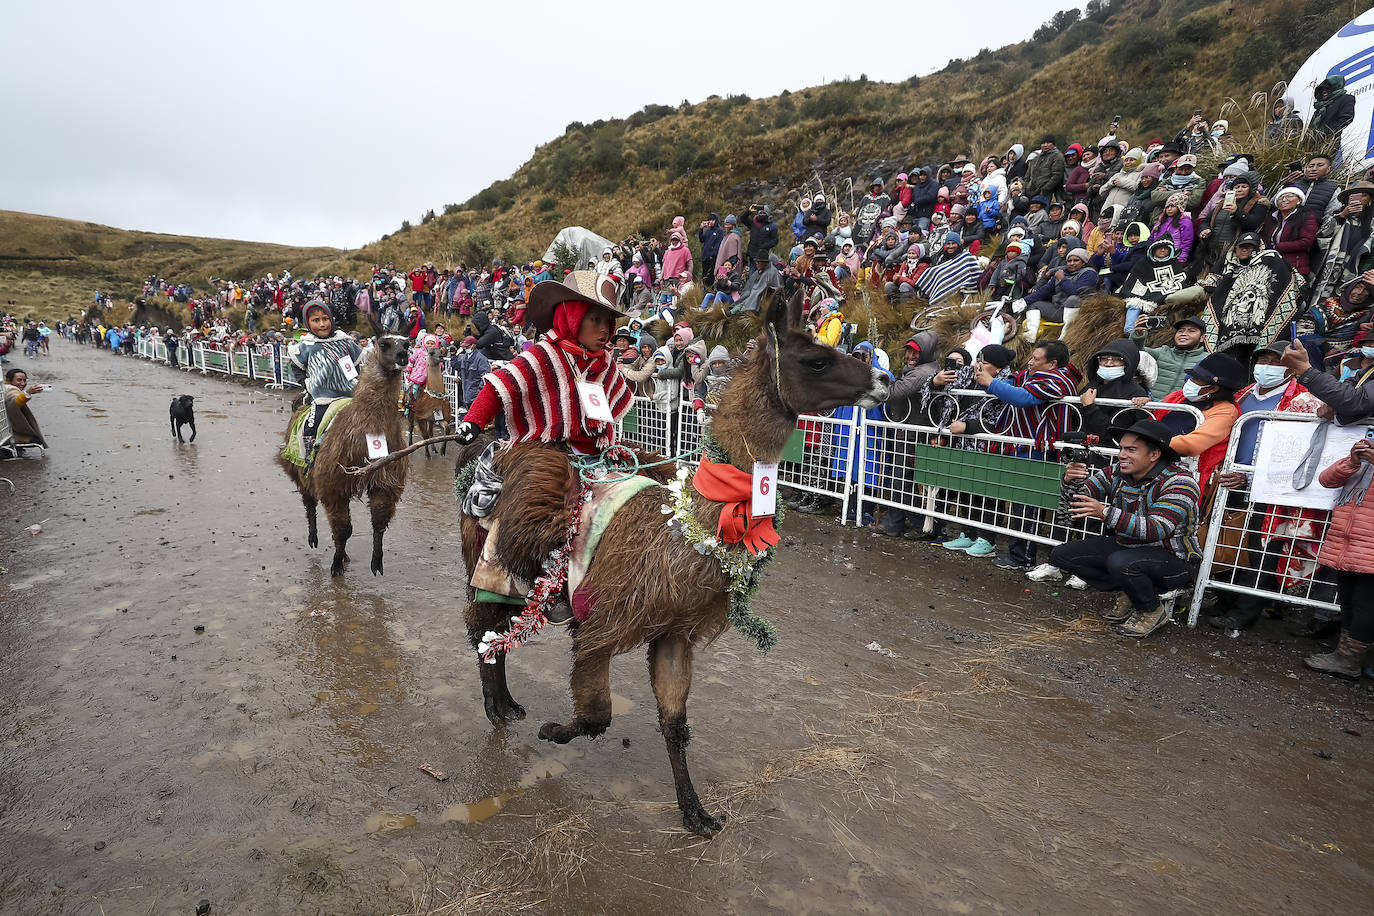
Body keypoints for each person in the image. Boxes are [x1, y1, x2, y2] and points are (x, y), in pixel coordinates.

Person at [456, 272, 634, 624]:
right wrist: (473, 421)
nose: (604, 329)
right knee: (540, 509)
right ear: (572, 315)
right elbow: (499, 386)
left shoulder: (605, 363)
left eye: (607, 321)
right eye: (595, 319)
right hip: (544, 450)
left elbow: (614, 401)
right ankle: (531, 580)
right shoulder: (542, 355)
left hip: (597, 454)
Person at [1204, 342, 1323, 630]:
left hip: (1269, 488)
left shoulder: (1305, 401)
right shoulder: (1243, 395)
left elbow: (1300, 451)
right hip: (1229, 481)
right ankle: (1224, 597)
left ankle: (1245, 611)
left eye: (1276, 361)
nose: (1267, 366)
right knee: (1223, 541)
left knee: (1261, 549)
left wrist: (1254, 476)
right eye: (1263, 360)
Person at [1050, 418, 1201, 637]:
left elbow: (1156, 529)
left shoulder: (1180, 481)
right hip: (1128, 550)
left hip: (1174, 558)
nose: (1121, 455)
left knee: (1121, 563)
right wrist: (1070, 481)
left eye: (1131, 450)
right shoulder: (1116, 471)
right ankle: (1131, 592)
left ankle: (1151, 610)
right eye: (1121, 448)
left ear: (1154, 454)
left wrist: (1104, 512)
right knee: (1061, 555)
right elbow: (1079, 499)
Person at [976, 339, 1082, 570]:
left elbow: (1022, 398)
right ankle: (1022, 555)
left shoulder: (1059, 380)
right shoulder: (1034, 375)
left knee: (1029, 505)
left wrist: (991, 383)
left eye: (1036, 359)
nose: (1030, 362)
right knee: (1023, 503)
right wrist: (987, 380)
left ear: (1053, 364)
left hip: (1042, 452)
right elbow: (1011, 388)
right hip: (1027, 448)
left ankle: (1023, 558)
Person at [1301, 435, 1374, 678]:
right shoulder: (1363, 463)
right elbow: (1326, 480)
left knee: (1367, 605)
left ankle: (1349, 661)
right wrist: (1353, 460)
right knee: (1349, 600)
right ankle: (1345, 653)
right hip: (1347, 541)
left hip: (1368, 543)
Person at [289, 300, 363, 455]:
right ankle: (309, 455)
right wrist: (306, 383)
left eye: (325, 319)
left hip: (350, 393)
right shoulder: (307, 345)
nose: (322, 324)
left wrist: (354, 380)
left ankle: (380, 457)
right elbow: (296, 365)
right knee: (313, 425)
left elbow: (354, 364)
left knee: (372, 423)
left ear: (331, 319)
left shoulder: (344, 342)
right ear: (308, 323)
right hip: (323, 397)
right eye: (316, 320)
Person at [1309, 75, 1357, 156]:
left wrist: (1324, 132)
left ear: (1336, 87)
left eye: (1328, 89)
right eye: (1322, 90)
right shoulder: (1320, 105)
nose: (1324, 92)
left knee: (1322, 163)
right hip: (1312, 142)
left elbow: (1347, 118)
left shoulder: (1346, 98)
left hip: (1329, 141)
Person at [4, 367, 47, 447]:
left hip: (5, 430)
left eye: (25, 380)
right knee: (36, 440)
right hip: (5, 434)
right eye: (19, 380)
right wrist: (27, 393)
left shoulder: (4, 388)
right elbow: (14, 403)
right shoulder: (11, 390)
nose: (23, 383)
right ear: (9, 380)